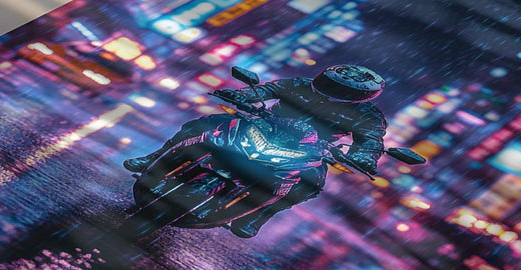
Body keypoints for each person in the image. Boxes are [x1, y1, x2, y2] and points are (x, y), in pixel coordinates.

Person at [123, 64, 388, 238]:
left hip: (308, 150)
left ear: (360, 97)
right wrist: (239, 95)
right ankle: (152, 158)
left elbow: (372, 141)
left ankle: (257, 217)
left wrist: (364, 156)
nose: (332, 90)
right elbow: (265, 90)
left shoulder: (369, 116)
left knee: (312, 183)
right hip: (261, 126)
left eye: (342, 89)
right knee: (203, 124)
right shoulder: (299, 83)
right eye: (330, 83)